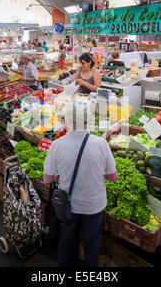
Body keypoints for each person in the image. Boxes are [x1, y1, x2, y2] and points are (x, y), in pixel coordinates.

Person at [44, 103, 118, 267]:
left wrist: (59, 174)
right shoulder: (101, 143)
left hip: (69, 207)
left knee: (67, 246)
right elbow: (113, 177)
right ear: (88, 120)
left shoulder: (57, 145)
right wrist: (102, 174)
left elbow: (47, 179)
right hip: (94, 207)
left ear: (66, 121)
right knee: (91, 246)